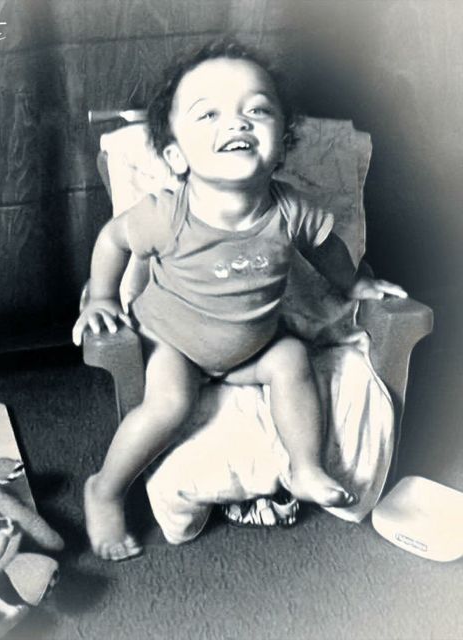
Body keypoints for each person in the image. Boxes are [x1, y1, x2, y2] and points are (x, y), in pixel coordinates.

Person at [72, 39, 407, 561]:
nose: (237, 122)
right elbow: (113, 240)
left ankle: (305, 466)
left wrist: (355, 285)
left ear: (281, 145)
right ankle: (105, 489)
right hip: (175, 342)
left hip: (251, 344)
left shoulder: (290, 210)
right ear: (176, 155)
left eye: (258, 110)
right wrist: (99, 296)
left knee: (291, 359)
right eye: (208, 114)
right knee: (170, 403)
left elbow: (327, 249)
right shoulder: (168, 213)